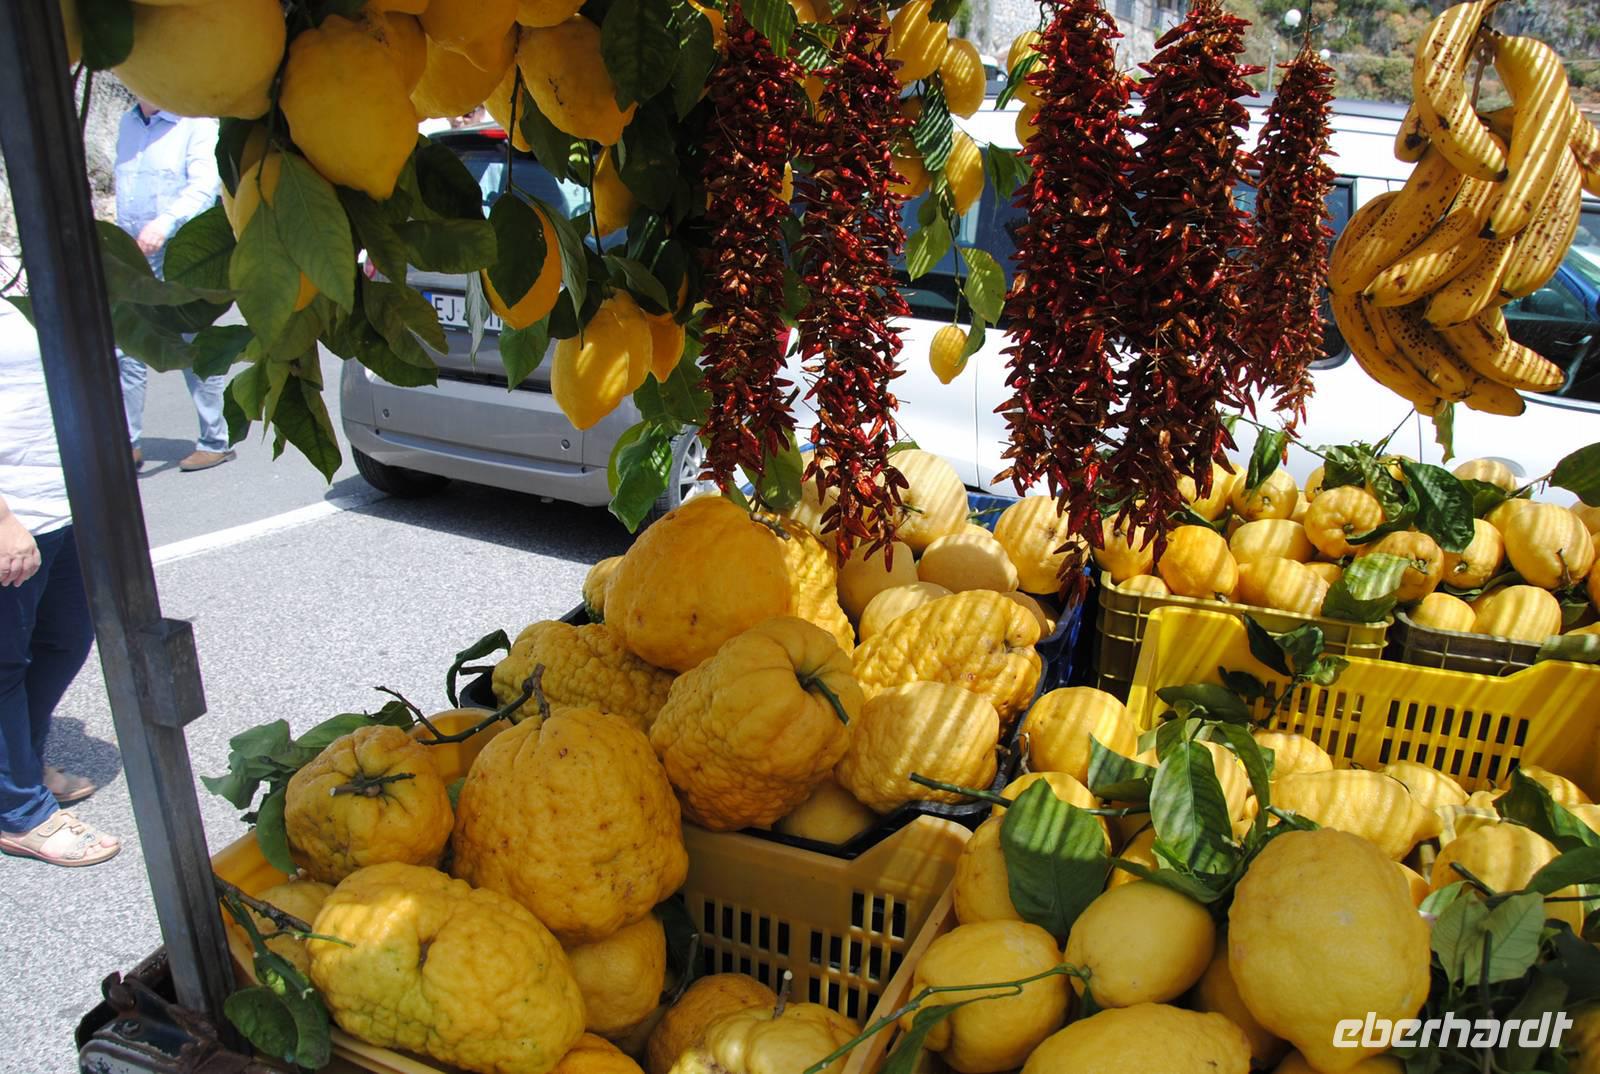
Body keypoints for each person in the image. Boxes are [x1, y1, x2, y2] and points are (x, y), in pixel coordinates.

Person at [0, 291, 120, 867]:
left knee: (64, 638)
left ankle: (16, 765)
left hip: (60, 503)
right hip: (11, 514)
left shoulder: (15, 263)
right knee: (4, 665)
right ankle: (18, 812)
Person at [114, 99, 232, 473]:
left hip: (178, 256)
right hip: (132, 257)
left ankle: (214, 441)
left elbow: (203, 188)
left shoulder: (195, 123)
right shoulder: (127, 124)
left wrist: (163, 225)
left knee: (191, 347)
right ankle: (128, 443)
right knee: (127, 349)